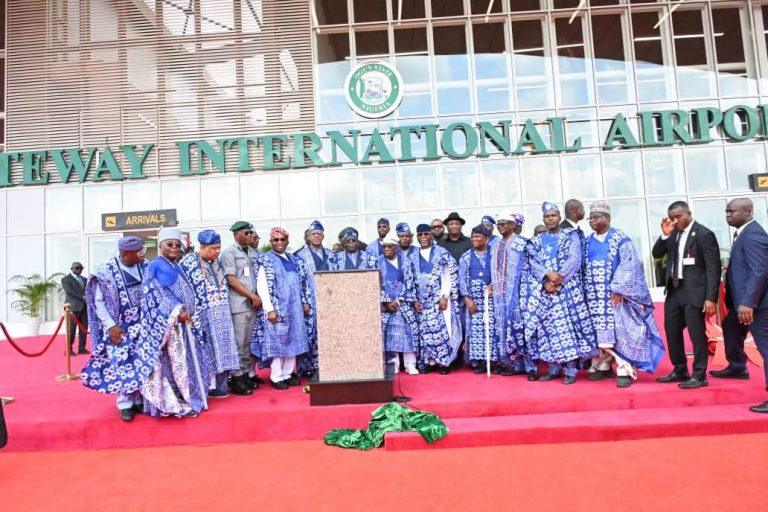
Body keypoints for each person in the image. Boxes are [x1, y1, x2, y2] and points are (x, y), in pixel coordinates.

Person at [582, 202, 665, 388]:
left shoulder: (621, 239)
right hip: (594, 299)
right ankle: (602, 365)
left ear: (607, 218)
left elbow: (629, 265)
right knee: (599, 334)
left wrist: (619, 289)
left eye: (596, 217)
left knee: (621, 333)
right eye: (590, 218)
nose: (592, 221)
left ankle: (624, 369)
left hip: (616, 298)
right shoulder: (587, 241)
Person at [524, 202, 598, 384]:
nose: (550, 219)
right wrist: (547, 276)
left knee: (568, 329)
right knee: (547, 330)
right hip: (546, 292)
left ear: (559, 217)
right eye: (547, 217)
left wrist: (558, 280)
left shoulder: (570, 235)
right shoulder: (536, 241)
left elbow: (575, 259)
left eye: (553, 216)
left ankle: (571, 371)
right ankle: (553, 369)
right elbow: (532, 263)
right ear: (543, 219)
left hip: (567, 291)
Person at [81, 236, 151, 422]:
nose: (142, 255)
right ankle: (125, 403)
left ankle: (139, 399)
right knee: (124, 364)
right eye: (139, 252)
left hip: (143, 325)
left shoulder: (144, 266)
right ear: (125, 254)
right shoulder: (106, 272)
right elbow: (98, 302)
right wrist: (111, 325)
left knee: (143, 362)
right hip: (120, 327)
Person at [139, 228, 208, 417]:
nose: (174, 248)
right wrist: (177, 312)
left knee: (185, 364)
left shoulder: (175, 265)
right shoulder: (155, 265)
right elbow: (154, 296)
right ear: (161, 246)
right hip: (168, 327)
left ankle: (186, 395)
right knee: (170, 365)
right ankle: (171, 401)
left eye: (178, 245)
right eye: (170, 244)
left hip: (184, 326)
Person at [653, 201, 720, 389]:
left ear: (689, 213)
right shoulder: (673, 233)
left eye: (679, 217)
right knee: (672, 331)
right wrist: (665, 235)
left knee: (696, 334)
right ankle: (680, 369)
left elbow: (713, 268)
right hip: (675, 290)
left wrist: (710, 298)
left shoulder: (704, 234)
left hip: (695, 292)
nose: (676, 221)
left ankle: (699, 375)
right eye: (672, 218)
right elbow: (656, 253)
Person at [717, 198, 768, 413]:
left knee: (766, 349)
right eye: (726, 211)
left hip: (757, 306)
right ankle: (737, 367)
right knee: (730, 325)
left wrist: (748, 302)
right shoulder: (744, 233)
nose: (728, 215)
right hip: (742, 303)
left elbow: (760, 271)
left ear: (747, 211)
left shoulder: (754, 235)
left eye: (732, 211)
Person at [179, 230, 240, 398]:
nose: (217, 251)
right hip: (201, 316)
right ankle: (205, 388)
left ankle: (219, 386)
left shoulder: (216, 263)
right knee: (204, 350)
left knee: (222, 350)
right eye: (214, 248)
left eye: (218, 248)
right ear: (203, 247)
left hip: (222, 315)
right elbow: (184, 292)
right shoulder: (188, 263)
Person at [253, 227, 311, 390]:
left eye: (282, 239)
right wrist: (269, 309)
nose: (279, 242)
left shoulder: (293, 259)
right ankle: (276, 377)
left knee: (295, 340)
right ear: (271, 242)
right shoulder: (267, 259)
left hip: (295, 308)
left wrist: (305, 301)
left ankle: (287, 374)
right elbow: (262, 286)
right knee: (279, 342)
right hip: (278, 308)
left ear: (287, 241)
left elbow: (303, 281)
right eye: (275, 240)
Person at [410, 224, 461, 374]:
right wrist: (414, 300)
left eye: (426, 234)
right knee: (425, 333)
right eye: (420, 235)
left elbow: (448, 275)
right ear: (417, 237)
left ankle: (444, 362)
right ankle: (429, 362)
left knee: (442, 331)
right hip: (422, 301)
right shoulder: (413, 255)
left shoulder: (441, 252)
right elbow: (410, 279)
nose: (423, 237)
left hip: (439, 300)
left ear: (431, 235)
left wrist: (445, 296)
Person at [491, 212, 535, 378]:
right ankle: (513, 365)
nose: (501, 226)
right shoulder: (495, 244)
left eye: (504, 223)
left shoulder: (522, 243)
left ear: (513, 225)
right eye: (499, 224)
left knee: (521, 329)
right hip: (499, 294)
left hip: (518, 294)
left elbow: (534, 263)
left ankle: (531, 367)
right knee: (503, 330)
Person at [221, 221, 262, 395]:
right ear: (236, 234)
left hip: (252, 304)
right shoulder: (229, 253)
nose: (249, 236)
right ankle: (237, 378)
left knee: (247, 343)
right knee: (239, 342)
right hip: (239, 304)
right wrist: (251, 295)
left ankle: (245, 374)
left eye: (250, 233)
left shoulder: (252, 252)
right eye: (246, 233)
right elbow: (231, 280)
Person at [294, 220, 334, 377]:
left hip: (330, 301)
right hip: (311, 302)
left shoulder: (331, 255)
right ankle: (310, 367)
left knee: (329, 333)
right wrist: (304, 301)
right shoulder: (300, 256)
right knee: (311, 333)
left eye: (319, 234)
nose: (316, 236)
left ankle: (329, 364)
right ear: (308, 237)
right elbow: (300, 281)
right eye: (313, 234)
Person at [458, 225, 500, 373]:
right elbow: (461, 279)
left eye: (478, 237)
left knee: (492, 328)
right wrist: (468, 299)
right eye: (473, 237)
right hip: (474, 299)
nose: (475, 239)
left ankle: (494, 360)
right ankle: (480, 362)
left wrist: (494, 285)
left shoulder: (495, 254)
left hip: (492, 298)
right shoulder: (466, 257)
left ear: (486, 239)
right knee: (475, 330)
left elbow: (501, 273)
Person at [379, 237, 421, 375]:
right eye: (384, 247)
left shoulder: (407, 261)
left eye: (389, 246)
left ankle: (410, 364)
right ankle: (393, 364)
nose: (386, 249)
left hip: (404, 303)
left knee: (408, 334)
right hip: (387, 306)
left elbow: (411, 282)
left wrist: (399, 300)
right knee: (390, 335)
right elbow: (374, 283)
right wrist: (386, 302)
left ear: (396, 247)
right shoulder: (377, 262)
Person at [62, 262, 89, 355]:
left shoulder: (85, 279)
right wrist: (83, 297)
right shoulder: (65, 279)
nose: (79, 269)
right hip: (72, 308)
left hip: (84, 308)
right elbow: (70, 292)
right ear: (72, 269)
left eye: (81, 268)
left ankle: (82, 348)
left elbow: (89, 291)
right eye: (77, 268)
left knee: (84, 328)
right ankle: (68, 350)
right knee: (71, 330)